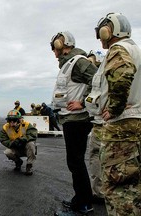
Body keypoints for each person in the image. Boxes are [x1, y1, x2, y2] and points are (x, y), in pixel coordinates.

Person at [85, 12, 141, 215]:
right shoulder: (135, 49)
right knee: (132, 187)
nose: (100, 37)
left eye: (101, 32)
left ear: (108, 30)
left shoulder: (119, 49)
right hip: (134, 124)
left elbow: (122, 75)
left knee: (118, 189)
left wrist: (115, 107)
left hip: (121, 128)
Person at [50, 31, 98, 216]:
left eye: (54, 45)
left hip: (77, 119)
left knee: (76, 162)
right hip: (71, 119)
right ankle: (80, 199)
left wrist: (83, 101)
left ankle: (84, 205)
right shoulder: (69, 64)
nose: (53, 50)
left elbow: (99, 81)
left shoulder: (78, 61)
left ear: (61, 44)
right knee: (75, 162)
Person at [86, 49, 106, 203]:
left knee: (97, 156)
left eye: (91, 61)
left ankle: (99, 192)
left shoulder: (102, 76)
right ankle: (99, 191)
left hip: (104, 123)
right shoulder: (97, 78)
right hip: (98, 122)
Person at [0, 110, 37, 176]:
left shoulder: (26, 125)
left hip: (26, 147)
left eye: (14, 120)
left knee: (31, 144)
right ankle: (18, 162)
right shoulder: (5, 127)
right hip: (15, 147)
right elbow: (3, 139)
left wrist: (22, 139)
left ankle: (29, 166)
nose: (12, 122)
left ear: (19, 120)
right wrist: (12, 143)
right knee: (7, 152)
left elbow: (33, 134)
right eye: (10, 120)